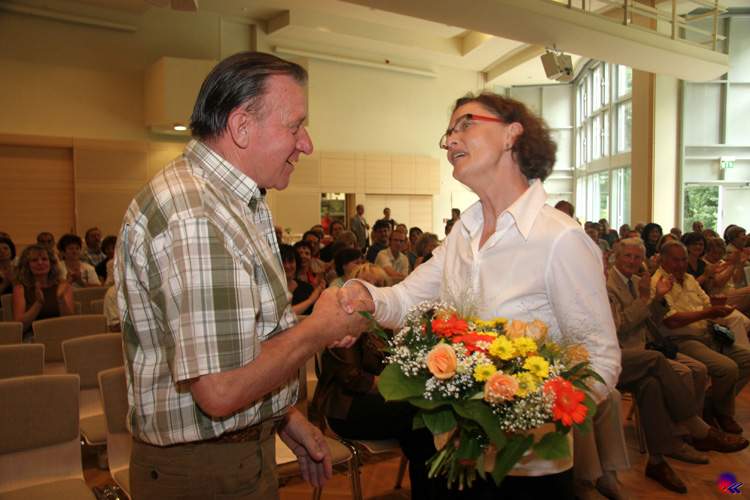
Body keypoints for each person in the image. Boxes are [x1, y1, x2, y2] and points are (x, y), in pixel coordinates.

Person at [340, 92, 621, 499]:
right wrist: (359, 295)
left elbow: (600, 358)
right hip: (455, 455)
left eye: (465, 123)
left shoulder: (559, 239)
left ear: (511, 134)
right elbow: (405, 300)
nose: (450, 140)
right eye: (448, 132)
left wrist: (527, 412)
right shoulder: (463, 233)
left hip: (527, 469)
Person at [115, 52, 365, 500]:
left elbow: (243, 343)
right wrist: (320, 328)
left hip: (231, 453)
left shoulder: (231, 203)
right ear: (241, 126)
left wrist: (285, 418)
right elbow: (221, 389)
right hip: (206, 471)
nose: (306, 144)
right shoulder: (196, 214)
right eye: (295, 126)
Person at [606, 238, 747, 495]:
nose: (632, 262)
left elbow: (652, 320)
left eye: (637, 257)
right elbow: (619, 326)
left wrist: (658, 298)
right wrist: (647, 298)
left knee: (654, 383)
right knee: (663, 363)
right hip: (620, 353)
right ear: (616, 256)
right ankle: (696, 429)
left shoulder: (638, 281)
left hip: (647, 347)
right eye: (627, 256)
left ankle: (658, 460)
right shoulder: (608, 285)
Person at [653, 240, 750, 435]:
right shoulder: (658, 282)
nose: (681, 264)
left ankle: (712, 404)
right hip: (681, 340)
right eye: (675, 260)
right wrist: (708, 312)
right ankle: (721, 412)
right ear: (663, 260)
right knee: (727, 368)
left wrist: (718, 310)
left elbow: (707, 304)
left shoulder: (689, 279)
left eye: (683, 260)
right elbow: (672, 321)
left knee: (747, 359)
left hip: (706, 334)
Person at [13, 244, 74, 339]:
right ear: (27, 265)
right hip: (33, 336)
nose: (40, 263)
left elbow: (70, 322)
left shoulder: (62, 285)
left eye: (44, 259)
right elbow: (20, 327)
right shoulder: (20, 288)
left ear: (51, 263)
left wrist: (60, 298)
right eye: (34, 260)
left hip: (61, 334)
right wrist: (38, 303)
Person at [280, 244, 323, 316]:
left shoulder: (307, 288)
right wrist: (311, 300)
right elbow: (282, 317)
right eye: (283, 262)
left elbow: (316, 315)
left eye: (291, 261)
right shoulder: (269, 290)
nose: (287, 266)